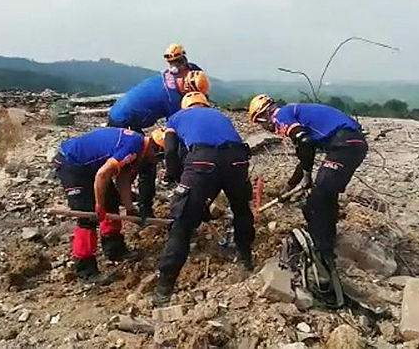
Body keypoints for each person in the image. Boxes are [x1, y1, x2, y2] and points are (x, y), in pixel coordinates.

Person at [151, 90, 254, 306]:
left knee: (181, 224)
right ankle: (245, 260)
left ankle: (164, 289)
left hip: (202, 160)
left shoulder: (176, 117)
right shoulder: (221, 116)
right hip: (238, 160)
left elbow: (170, 151)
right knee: (241, 210)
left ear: (185, 105)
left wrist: (175, 177)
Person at [247, 94, 367, 264]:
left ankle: (322, 253)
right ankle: (328, 242)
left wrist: (306, 176)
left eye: (259, 122)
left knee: (318, 200)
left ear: (264, 114)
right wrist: (293, 183)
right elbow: (305, 153)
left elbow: (304, 141)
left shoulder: (282, 115)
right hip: (353, 143)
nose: (264, 127)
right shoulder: (297, 112)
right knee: (326, 196)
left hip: (344, 144)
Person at [107, 44, 208, 220]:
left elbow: (197, 77)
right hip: (123, 120)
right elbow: (175, 131)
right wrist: (176, 167)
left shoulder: (185, 73)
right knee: (145, 162)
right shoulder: (172, 96)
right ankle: (139, 207)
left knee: (145, 156)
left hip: (125, 112)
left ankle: (126, 194)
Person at [53, 127, 159, 280]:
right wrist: (99, 206)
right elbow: (103, 175)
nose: (154, 162)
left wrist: (129, 208)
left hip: (91, 167)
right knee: (88, 217)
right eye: (156, 159)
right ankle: (86, 269)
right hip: (72, 163)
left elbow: (123, 178)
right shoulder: (133, 147)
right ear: (154, 149)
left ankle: (114, 249)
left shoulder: (138, 146)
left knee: (111, 201)